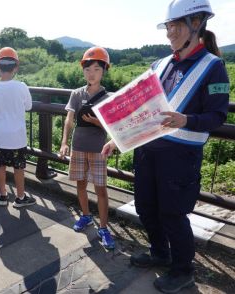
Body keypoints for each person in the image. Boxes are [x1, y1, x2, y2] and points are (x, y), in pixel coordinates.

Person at [102, 0, 229, 292]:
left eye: (175, 25)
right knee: (146, 207)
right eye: (168, 26)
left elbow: (218, 115)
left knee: (173, 214)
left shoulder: (213, 67)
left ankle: (182, 270)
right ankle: (160, 252)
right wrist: (116, 139)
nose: (169, 33)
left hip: (180, 158)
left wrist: (187, 119)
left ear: (196, 23)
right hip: (147, 153)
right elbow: (140, 112)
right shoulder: (160, 65)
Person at [59, 47, 115, 250]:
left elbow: (112, 128)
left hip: (98, 149)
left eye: (96, 69)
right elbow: (69, 120)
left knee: (101, 189)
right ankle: (86, 216)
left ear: (104, 71)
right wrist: (64, 142)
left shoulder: (108, 97)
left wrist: (96, 122)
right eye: (88, 69)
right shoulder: (76, 94)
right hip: (79, 146)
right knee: (80, 185)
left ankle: (104, 228)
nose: (91, 73)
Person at [0, 47, 36, 208]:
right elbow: (28, 106)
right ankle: (20, 197)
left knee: (0, 166)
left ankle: (3, 195)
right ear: (16, 67)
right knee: (18, 168)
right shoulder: (22, 86)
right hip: (17, 137)